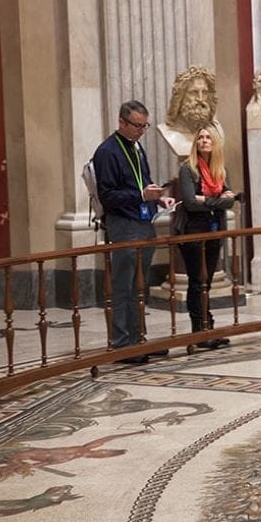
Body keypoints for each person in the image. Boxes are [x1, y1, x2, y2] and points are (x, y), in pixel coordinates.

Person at [92, 100, 175, 363]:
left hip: (144, 221)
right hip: (124, 224)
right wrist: (140, 195)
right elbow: (108, 196)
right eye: (137, 126)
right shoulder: (107, 152)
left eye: (144, 126)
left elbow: (144, 180)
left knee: (140, 284)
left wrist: (157, 198)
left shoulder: (137, 147)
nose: (141, 130)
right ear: (122, 123)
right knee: (123, 285)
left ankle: (139, 339)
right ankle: (121, 344)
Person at [175, 125, 236, 350]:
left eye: (208, 137)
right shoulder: (187, 169)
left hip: (213, 230)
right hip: (193, 231)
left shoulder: (219, 169)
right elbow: (191, 202)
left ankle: (207, 327)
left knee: (207, 281)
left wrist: (207, 199)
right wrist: (216, 199)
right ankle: (199, 331)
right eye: (200, 137)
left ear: (215, 143)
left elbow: (230, 199)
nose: (203, 141)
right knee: (197, 281)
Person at [158, 65, 223, 159]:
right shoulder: (168, 130)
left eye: (204, 92)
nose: (200, 99)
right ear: (181, 96)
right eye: (194, 92)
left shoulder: (216, 130)